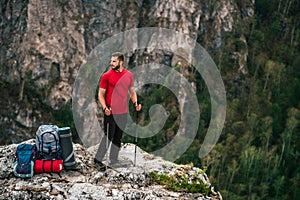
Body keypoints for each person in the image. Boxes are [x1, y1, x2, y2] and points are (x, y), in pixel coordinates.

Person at [94, 52, 141, 171]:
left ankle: (113, 160)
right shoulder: (106, 76)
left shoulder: (129, 75)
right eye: (111, 61)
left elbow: (132, 92)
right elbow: (101, 94)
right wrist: (105, 108)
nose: (111, 63)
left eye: (114, 61)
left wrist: (136, 104)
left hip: (123, 112)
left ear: (121, 62)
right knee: (109, 135)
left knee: (118, 137)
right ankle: (98, 160)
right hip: (110, 111)